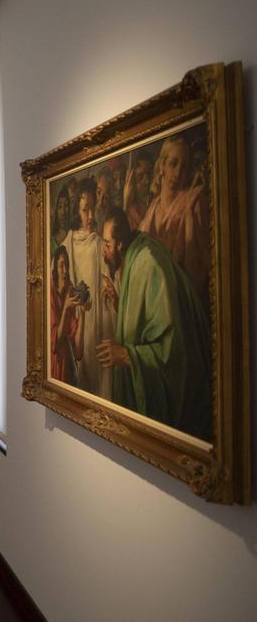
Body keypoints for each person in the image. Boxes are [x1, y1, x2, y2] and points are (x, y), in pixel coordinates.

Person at [97, 207, 212, 441]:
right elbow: (143, 323)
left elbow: (172, 349)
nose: (104, 251)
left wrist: (126, 355)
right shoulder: (134, 257)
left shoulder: (148, 263)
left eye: (107, 244)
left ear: (120, 245)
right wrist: (119, 302)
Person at [60, 178, 114, 397]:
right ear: (77, 209)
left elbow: (108, 284)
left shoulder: (99, 243)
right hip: (77, 324)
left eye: (93, 209)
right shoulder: (67, 244)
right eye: (85, 210)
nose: (90, 217)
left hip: (97, 324)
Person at [137, 135, 208, 301]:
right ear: (162, 165)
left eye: (184, 167)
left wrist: (190, 215)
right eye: (173, 164)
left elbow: (196, 279)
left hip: (180, 303)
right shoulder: (152, 209)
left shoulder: (193, 201)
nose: (177, 173)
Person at [49, 246, 82, 383]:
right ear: (55, 270)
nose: (65, 271)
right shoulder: (50, 294)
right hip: (54, 367)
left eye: (67, 265)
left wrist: (84, 312)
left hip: (67, 368)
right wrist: (66, 309)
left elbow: (78, 350)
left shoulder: (69, 290)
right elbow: (55, 343)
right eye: (61, 265)